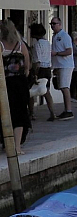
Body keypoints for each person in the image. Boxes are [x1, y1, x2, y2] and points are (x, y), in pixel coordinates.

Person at [1, 20, 30, 154]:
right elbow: (27, 67)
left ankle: (7, 143)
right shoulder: (21, 45)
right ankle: (17, 147)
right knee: (20, 113)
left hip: (5, 84)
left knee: (5, 112)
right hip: (20, 83)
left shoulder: (1, 46)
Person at [49, 17, 74, 120]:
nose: (52, 25)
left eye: (54, 23)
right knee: (61, 87)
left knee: (65, 87)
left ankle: (69, 110)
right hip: (59, 65)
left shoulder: (65, 36)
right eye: (51, 24)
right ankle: (66, 109)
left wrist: (57, 54)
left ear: (59, 24)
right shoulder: (55, 36)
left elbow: (69, 51)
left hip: (65, 65)